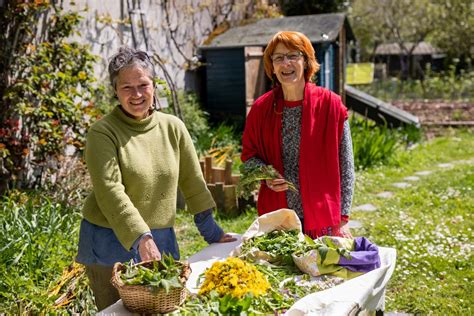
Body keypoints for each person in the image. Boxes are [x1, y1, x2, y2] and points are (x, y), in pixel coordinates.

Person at [76, 46, 235, 311]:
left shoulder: (172, 127)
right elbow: (109, 191)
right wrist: (141, 238)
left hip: (160, 239)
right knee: (116, 312)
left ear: (154, 86)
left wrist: (208, 226)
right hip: (108, 241)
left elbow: (192, 178)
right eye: (126, 87)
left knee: (164, 308)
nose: (136, 94)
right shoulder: (102, 132)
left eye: (143, 85)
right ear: (115, 90)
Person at [241, 31, 355, 239]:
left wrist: (343, 219)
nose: (286, 63)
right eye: (278, 58)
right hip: (278, 220)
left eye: (293, 55)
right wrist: (266, 174)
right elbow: (248, 159)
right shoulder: (260, 110)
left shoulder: (331, 105)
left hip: (323, 220)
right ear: (272, 67)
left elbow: (346, 166)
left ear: (306, 61)